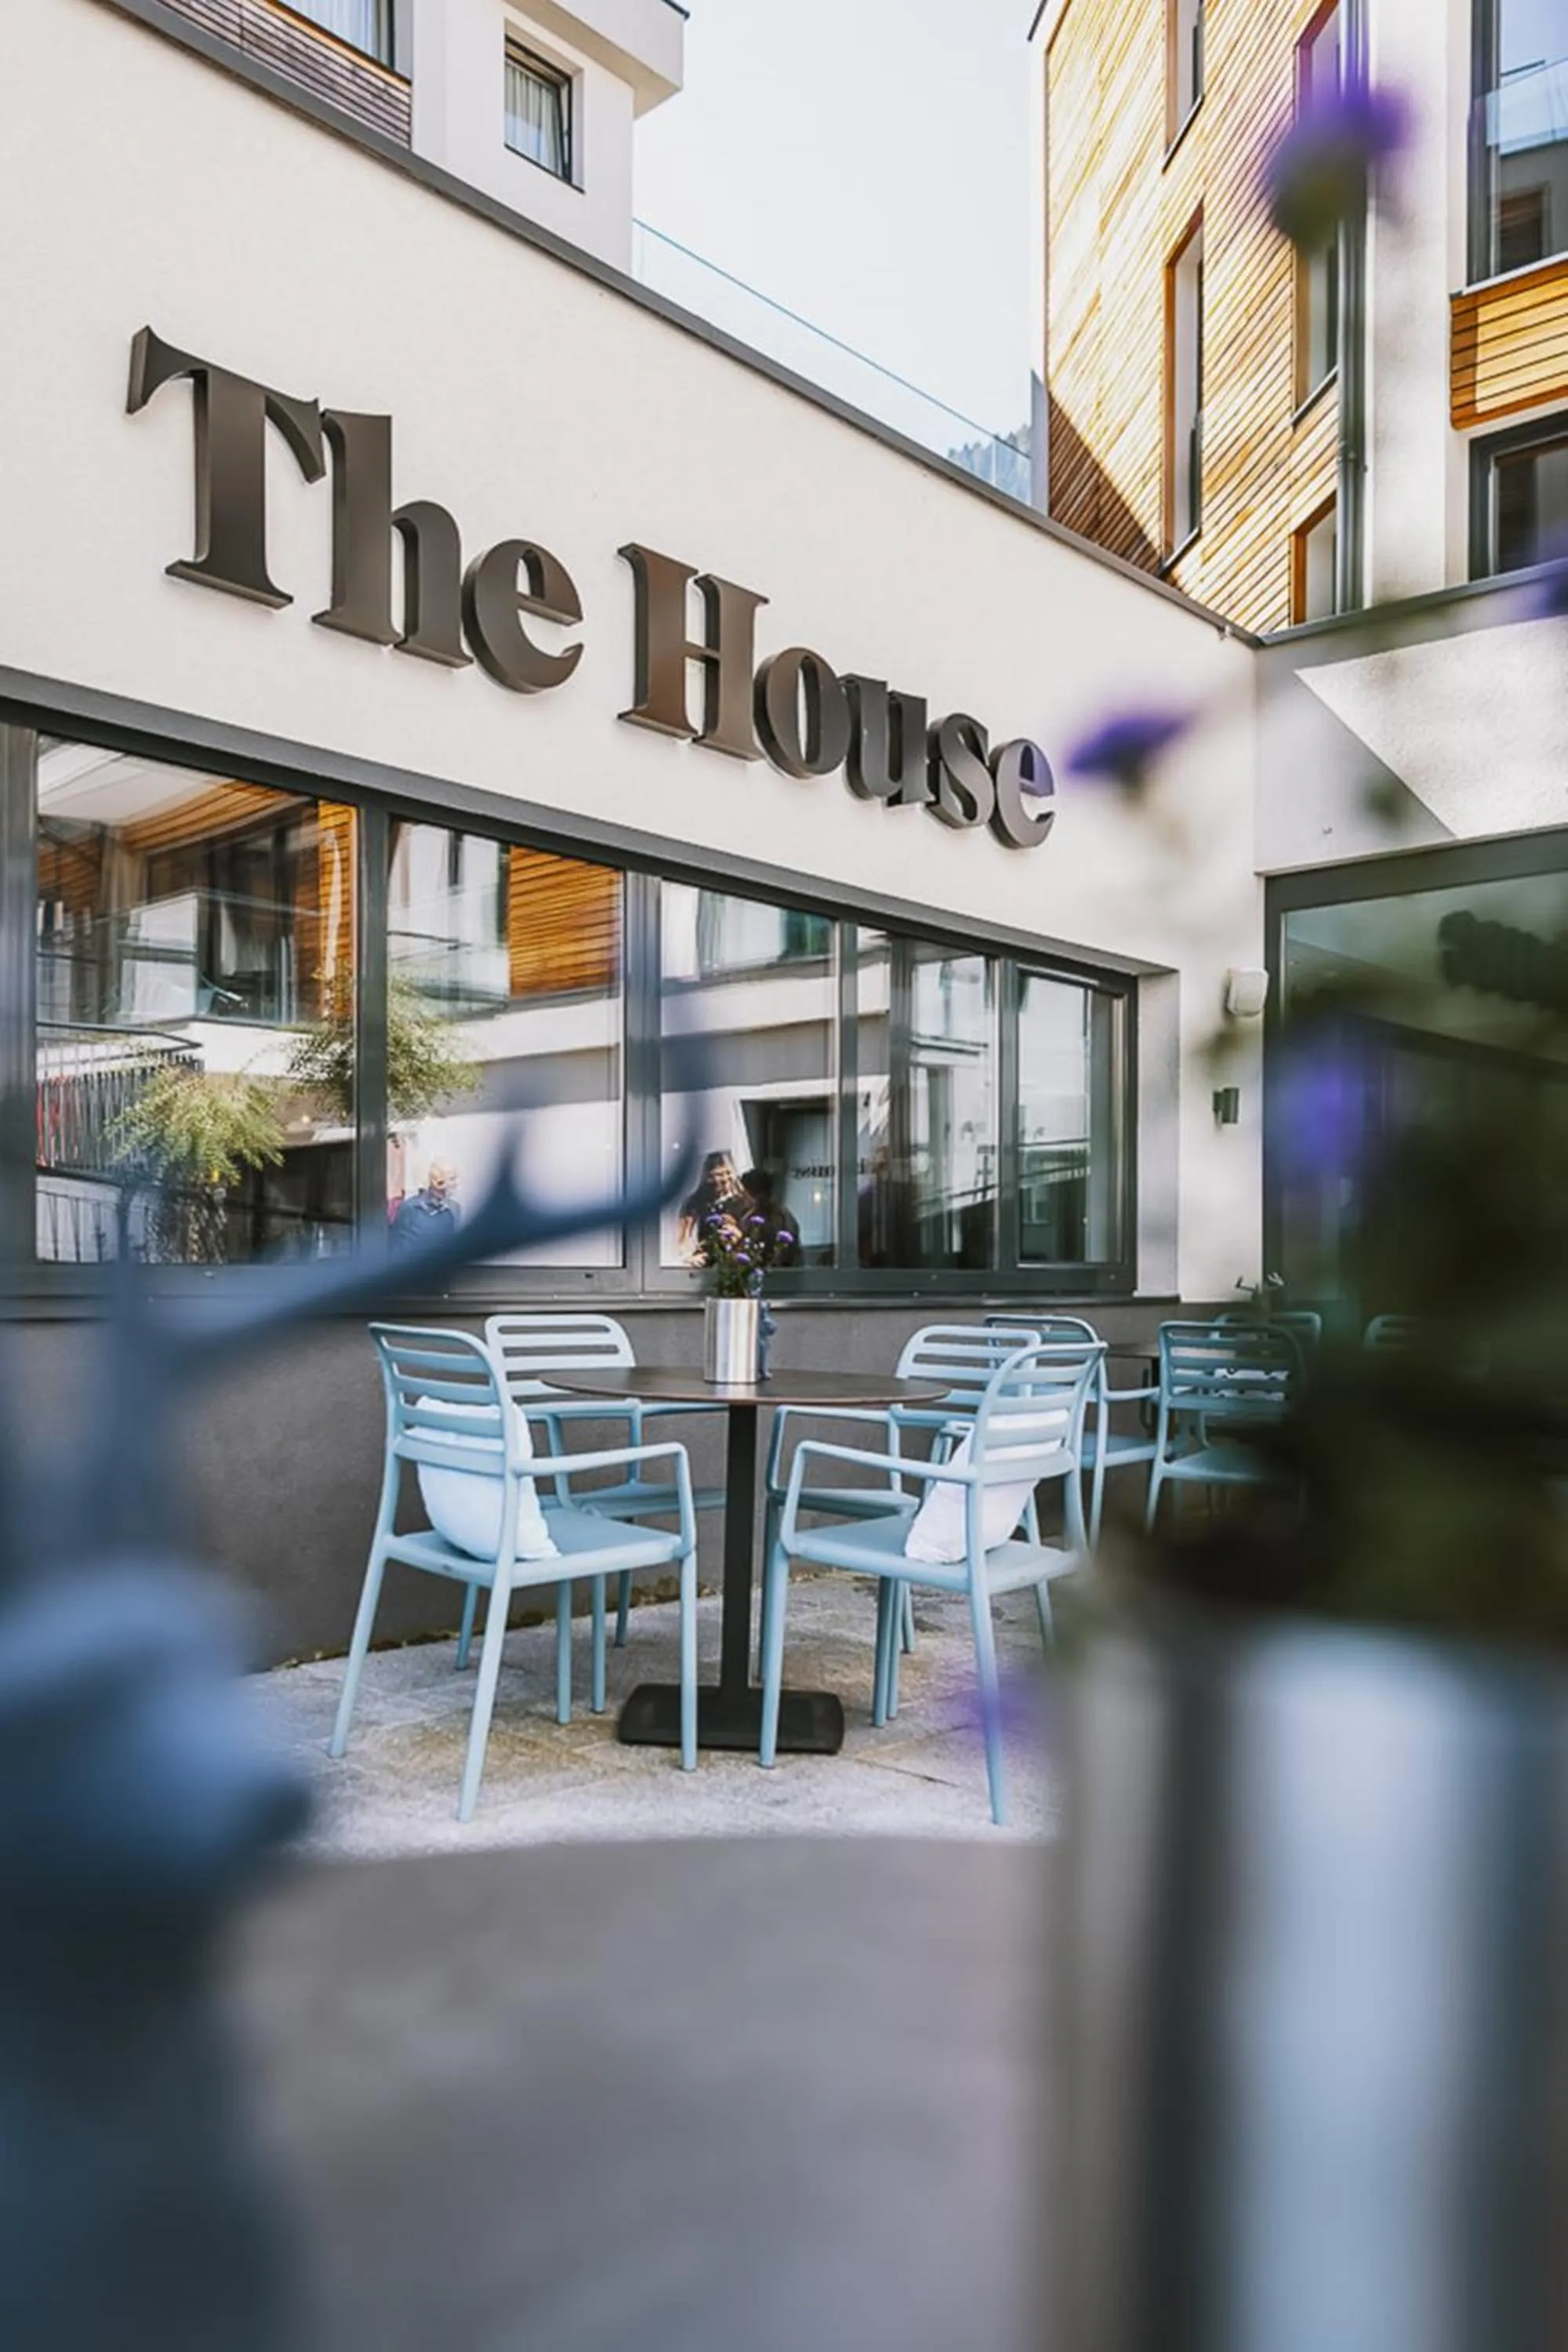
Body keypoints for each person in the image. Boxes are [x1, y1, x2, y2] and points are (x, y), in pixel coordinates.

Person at [678, 1149, 740, 1264]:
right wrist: (688, 1258)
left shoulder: (742, 1201)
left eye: (727, 1173)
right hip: (704, 1264)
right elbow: (684, 1237)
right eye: (717, 1175)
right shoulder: (695, 1202)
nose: (724, 1179)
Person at [739, 1165, 800, 1267]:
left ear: (755, 1195)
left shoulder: (778, 1219)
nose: (740, 1195)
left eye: (743, 1191)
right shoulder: (783, 1215)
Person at [392, 1158, 459, 1251]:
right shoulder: (410, 1209)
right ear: (438, 1182)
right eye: (452, 1179)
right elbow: (395, 1247)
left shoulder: (454, 1209)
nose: (456, 1183)